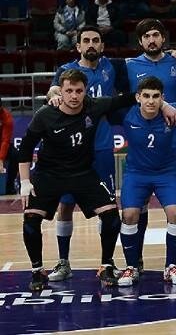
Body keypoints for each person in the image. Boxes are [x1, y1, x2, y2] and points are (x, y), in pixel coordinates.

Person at [18, 69, 136, 291]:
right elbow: (25, 149)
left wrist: (164, 104)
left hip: (82, 173)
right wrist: (25, 183)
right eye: (69, 91)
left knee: (111, 216)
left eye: (79, 91)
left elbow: (126, 99)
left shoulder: (94, 106)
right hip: (48, 174)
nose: (74, 96)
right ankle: (37, 270)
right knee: (31, 220)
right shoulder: (45, 114)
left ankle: (106, 265)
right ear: (60, 92)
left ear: (85, 91)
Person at [117, 19, 176, 273]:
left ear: (163, 38)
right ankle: (135, 259)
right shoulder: (128, 65)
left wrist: (169, 105)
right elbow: (123, 97)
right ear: (140, 41)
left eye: (156, 35)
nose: (152, 40)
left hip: (171, 146)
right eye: (147, 36)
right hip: (142, 145)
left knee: (175, 208)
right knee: (138, 207)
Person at [45, 26, 119, 282]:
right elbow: (53, 91)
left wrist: (175, 52)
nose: (91, 44)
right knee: (65, 205)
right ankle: (63, 261)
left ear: (102, 45)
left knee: (107, 206)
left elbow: (147, 59)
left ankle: (106, 262)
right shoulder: (66, 71)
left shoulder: (111, 67)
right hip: (72, 149)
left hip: (101, 146)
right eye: (86, 40)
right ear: (77, 46)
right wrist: (54, 95)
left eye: (95, 40)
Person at [0, 100, 18, 195]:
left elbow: (5, 140)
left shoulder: (7, 117)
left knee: (15, 155)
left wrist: (1, 159)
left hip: (2, 144)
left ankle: (9, 186)